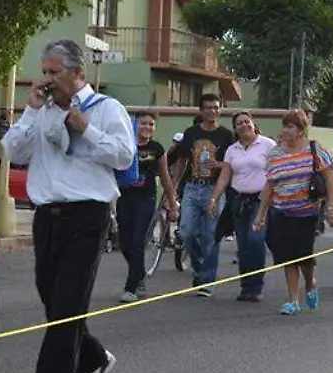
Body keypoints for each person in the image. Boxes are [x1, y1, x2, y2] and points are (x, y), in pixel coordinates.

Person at [0, 39, 134, 373]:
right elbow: (14, 152)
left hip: (87, 216)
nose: (48, 79)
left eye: (55, 72)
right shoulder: (41, 111)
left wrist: (86, 129)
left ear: (78, 73)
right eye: (44, 72)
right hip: (47, 215)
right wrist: (31, 111)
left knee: (69, 301)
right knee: (53, 299)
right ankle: (93, 358)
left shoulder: (106, 109)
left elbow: (124, 157)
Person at [254, 110, 333, 315]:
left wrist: (331, 206)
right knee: (288, 256)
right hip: (282, 212)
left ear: (301, 131)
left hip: (307, 214)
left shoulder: (314, 149)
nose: (285, 130)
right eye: (285, 126)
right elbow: (269, 185)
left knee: (304, 256)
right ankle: (293, 299)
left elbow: (329, 178)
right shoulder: (275, 153)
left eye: (291, 127)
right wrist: (261, 214)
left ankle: (310, 283)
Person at [170, 94, 234, 298]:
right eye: (208, 108)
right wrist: (172, 188)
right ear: (201, 111)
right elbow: (181, 161)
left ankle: (207, 280)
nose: (212, 111)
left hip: (214, 188)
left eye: (216, 107)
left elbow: (233, 164)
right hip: (192, 187)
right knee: (186, 232)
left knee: (210, 236)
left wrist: (219, 165)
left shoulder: (226, 135)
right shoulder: (191, 133)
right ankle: (199, 267)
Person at [208, 111, 273, 302]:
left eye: (247, 121)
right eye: (239, 123)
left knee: (255, 240)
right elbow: (225, 176)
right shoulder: (232, 150)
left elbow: (276, 171)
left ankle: (257, 284)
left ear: (254, 124)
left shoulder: (267, 145)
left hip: (260, 201)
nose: (244, 125)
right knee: (243, 244)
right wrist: (213, 199)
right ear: (235, 129)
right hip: (238, 201)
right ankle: (246, 286)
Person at [115, 112, 178, 303]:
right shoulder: (125, 144)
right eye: (143, 124)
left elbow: (166, 177)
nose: (147, 128)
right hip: (124, 198)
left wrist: (172, 203)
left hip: (146, 199)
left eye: (151, 124)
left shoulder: (157, 148)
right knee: (124, 243)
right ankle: (140, 273)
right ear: (135, 125)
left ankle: (131, 286)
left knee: (137, 242)